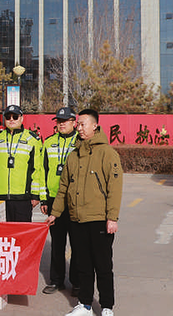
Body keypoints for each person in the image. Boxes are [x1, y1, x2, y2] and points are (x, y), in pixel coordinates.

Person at [47, 109, 123, 316]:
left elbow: (114, 188)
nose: (79, 128)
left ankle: (107, 307)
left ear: (95, 126)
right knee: (83, 265)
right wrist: (55, 212)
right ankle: (85, 305)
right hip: (77, 219)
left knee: (103, 265)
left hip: (99, 219)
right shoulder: (73, 155)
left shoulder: (107, 153)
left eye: (82, 124)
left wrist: (112, 218)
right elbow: (63, 188)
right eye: (78, 124)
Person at [41, 107, 79, 294]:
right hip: (54, 199)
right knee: (57, 242)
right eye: (59, 121)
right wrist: (43, 198)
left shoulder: (80, 142)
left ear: (74, 122)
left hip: (74, 200)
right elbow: (42, 170)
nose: (61, 124)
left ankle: (77, 282)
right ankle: (56, 281)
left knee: (77, 243)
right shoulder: (48, 143)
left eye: (65, 121)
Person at [0, 104, 46, 222]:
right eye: (8, 117)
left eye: (15, 117)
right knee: (2, 232)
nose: (11, 120)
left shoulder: (32, 140)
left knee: (21, 232)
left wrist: (35, 195)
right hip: (0, 197)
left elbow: (37, 169)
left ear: (21, 118)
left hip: (23, 198)